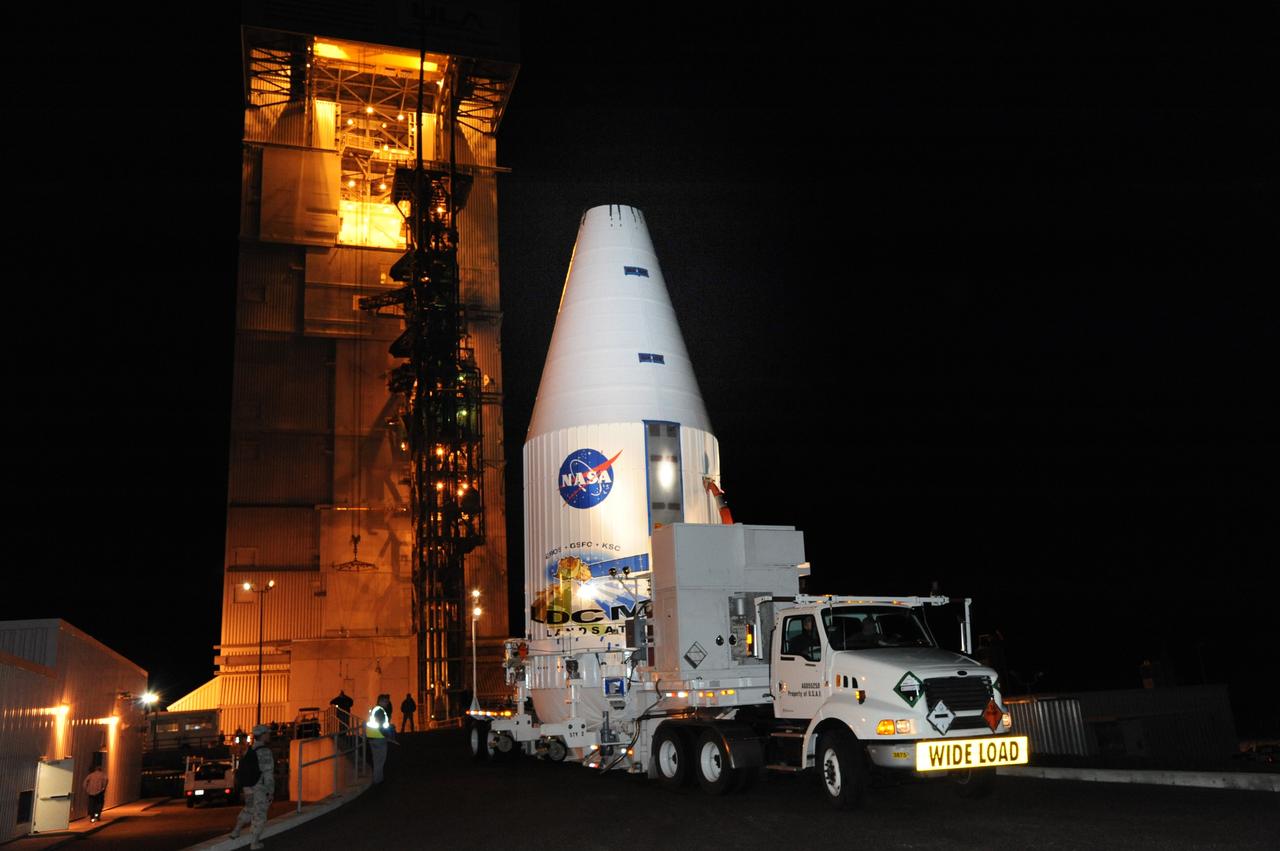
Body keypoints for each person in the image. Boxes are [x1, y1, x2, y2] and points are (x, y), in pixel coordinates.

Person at [230, 724, 275, 850]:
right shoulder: (265, 751)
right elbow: (268, 773)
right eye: (267, 733)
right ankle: (254, 843)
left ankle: (236, 831)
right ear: (263, 735)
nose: (269, 735)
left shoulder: (250, 750)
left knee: (249, 808)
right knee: (260, 813)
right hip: (259, 787)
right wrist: (270, 791)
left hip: (248, 787)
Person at [366, 694, 397, 784]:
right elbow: (381, 726)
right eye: (386, 701)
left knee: (376, 759)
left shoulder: (374, 709)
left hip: (372, 737)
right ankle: (378, 780)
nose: (387, 703)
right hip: (379, 738)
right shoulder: (380, 711)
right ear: (381, 701)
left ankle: (377, 779)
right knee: (381, 760)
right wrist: (387, 736)